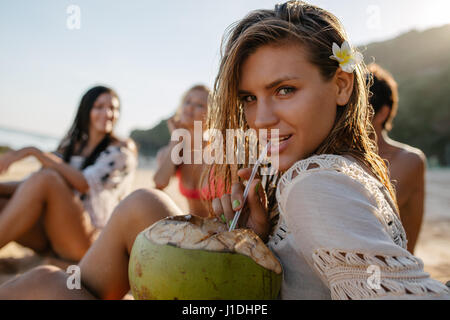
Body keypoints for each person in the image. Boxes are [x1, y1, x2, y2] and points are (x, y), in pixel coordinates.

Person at [0, 1, 449, 300]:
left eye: (285, 89)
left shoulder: (316, 187)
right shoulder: (329, 169)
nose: (261, 118)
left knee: (45, 283)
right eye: (250, 98)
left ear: (342, 85)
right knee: (141, 205)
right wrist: (261, 234)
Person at [0, 86, 137, 262]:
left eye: (113, 109)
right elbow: (30, 188)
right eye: (99, 107)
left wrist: (33, 151)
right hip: (52, 236)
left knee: (48, 178)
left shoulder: (121, 151)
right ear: (86, 110)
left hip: (89, 242)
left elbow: (83, 183)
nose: (107, 113)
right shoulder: (70, 147)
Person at [368, 63, 426, 254]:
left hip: (393, 275)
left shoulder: (409, 160)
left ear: (382, 113)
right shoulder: (339, 156)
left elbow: (370, 215)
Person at [153, 85, 218, 217]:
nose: (190, 107)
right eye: (187, 102)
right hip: (192, 230)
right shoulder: (174, 152)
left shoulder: (217, 152)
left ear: (212, 114)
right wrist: (175, 140)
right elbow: (159, 183)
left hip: (222, 231)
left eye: (200, 105)